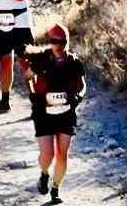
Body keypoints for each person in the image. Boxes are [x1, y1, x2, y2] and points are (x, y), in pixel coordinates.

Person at [23, 25, 87, 204]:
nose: (57, 45)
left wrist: (78, 97)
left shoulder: (74, 62)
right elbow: (27, 76)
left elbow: (82, 85)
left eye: (60, 41)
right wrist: (33, 95)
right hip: (43, 112)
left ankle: (56, 189)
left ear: (67, 42)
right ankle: (44, 174)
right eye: (53, 41)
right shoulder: (42, 59)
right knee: (47, 154)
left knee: (62, 153)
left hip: (66, 112)